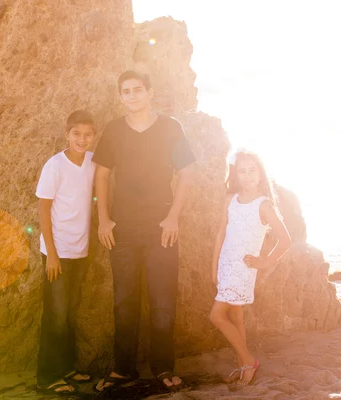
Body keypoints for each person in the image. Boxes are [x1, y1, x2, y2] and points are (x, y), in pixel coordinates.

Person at [93, 70, 195, 392]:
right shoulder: (113, 131)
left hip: (160, 228)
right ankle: (124, 369)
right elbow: (102, 177)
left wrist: (173, 218)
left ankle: (163, 367)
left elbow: (188, 174)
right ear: (120, 96)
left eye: (138, 90)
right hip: (121, 229)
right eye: (126, 91)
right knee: (124, 301)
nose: (132, 95)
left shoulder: (170, 127)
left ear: (150, 93)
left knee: (162, 301)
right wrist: (104, 219)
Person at [209, 149, 292, 386]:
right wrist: (213, 265)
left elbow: (285, 239)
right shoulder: (230, 200)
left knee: (216, 315)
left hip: (243, 269)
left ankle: (248, 360)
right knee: (235, 315)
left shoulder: (263, 205)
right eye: (241, 171)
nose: (246, 176)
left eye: (252, 170)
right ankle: (242, 365)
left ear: (260, 173)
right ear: (235, 173)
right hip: (226, 263)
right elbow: (220, 233)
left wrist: (264, 262)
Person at [35, 110, 97, 395]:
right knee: (56, 315)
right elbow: (43, 209)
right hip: (56, 252)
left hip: (80, 251)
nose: (81, 139)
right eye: (76, 134)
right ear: (67, 134)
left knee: (70, 313)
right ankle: (47, 376)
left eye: (87, 134)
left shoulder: (92, 163)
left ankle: (67, 368)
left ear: (93, 136)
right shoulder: (54, 165)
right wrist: (52, 254)